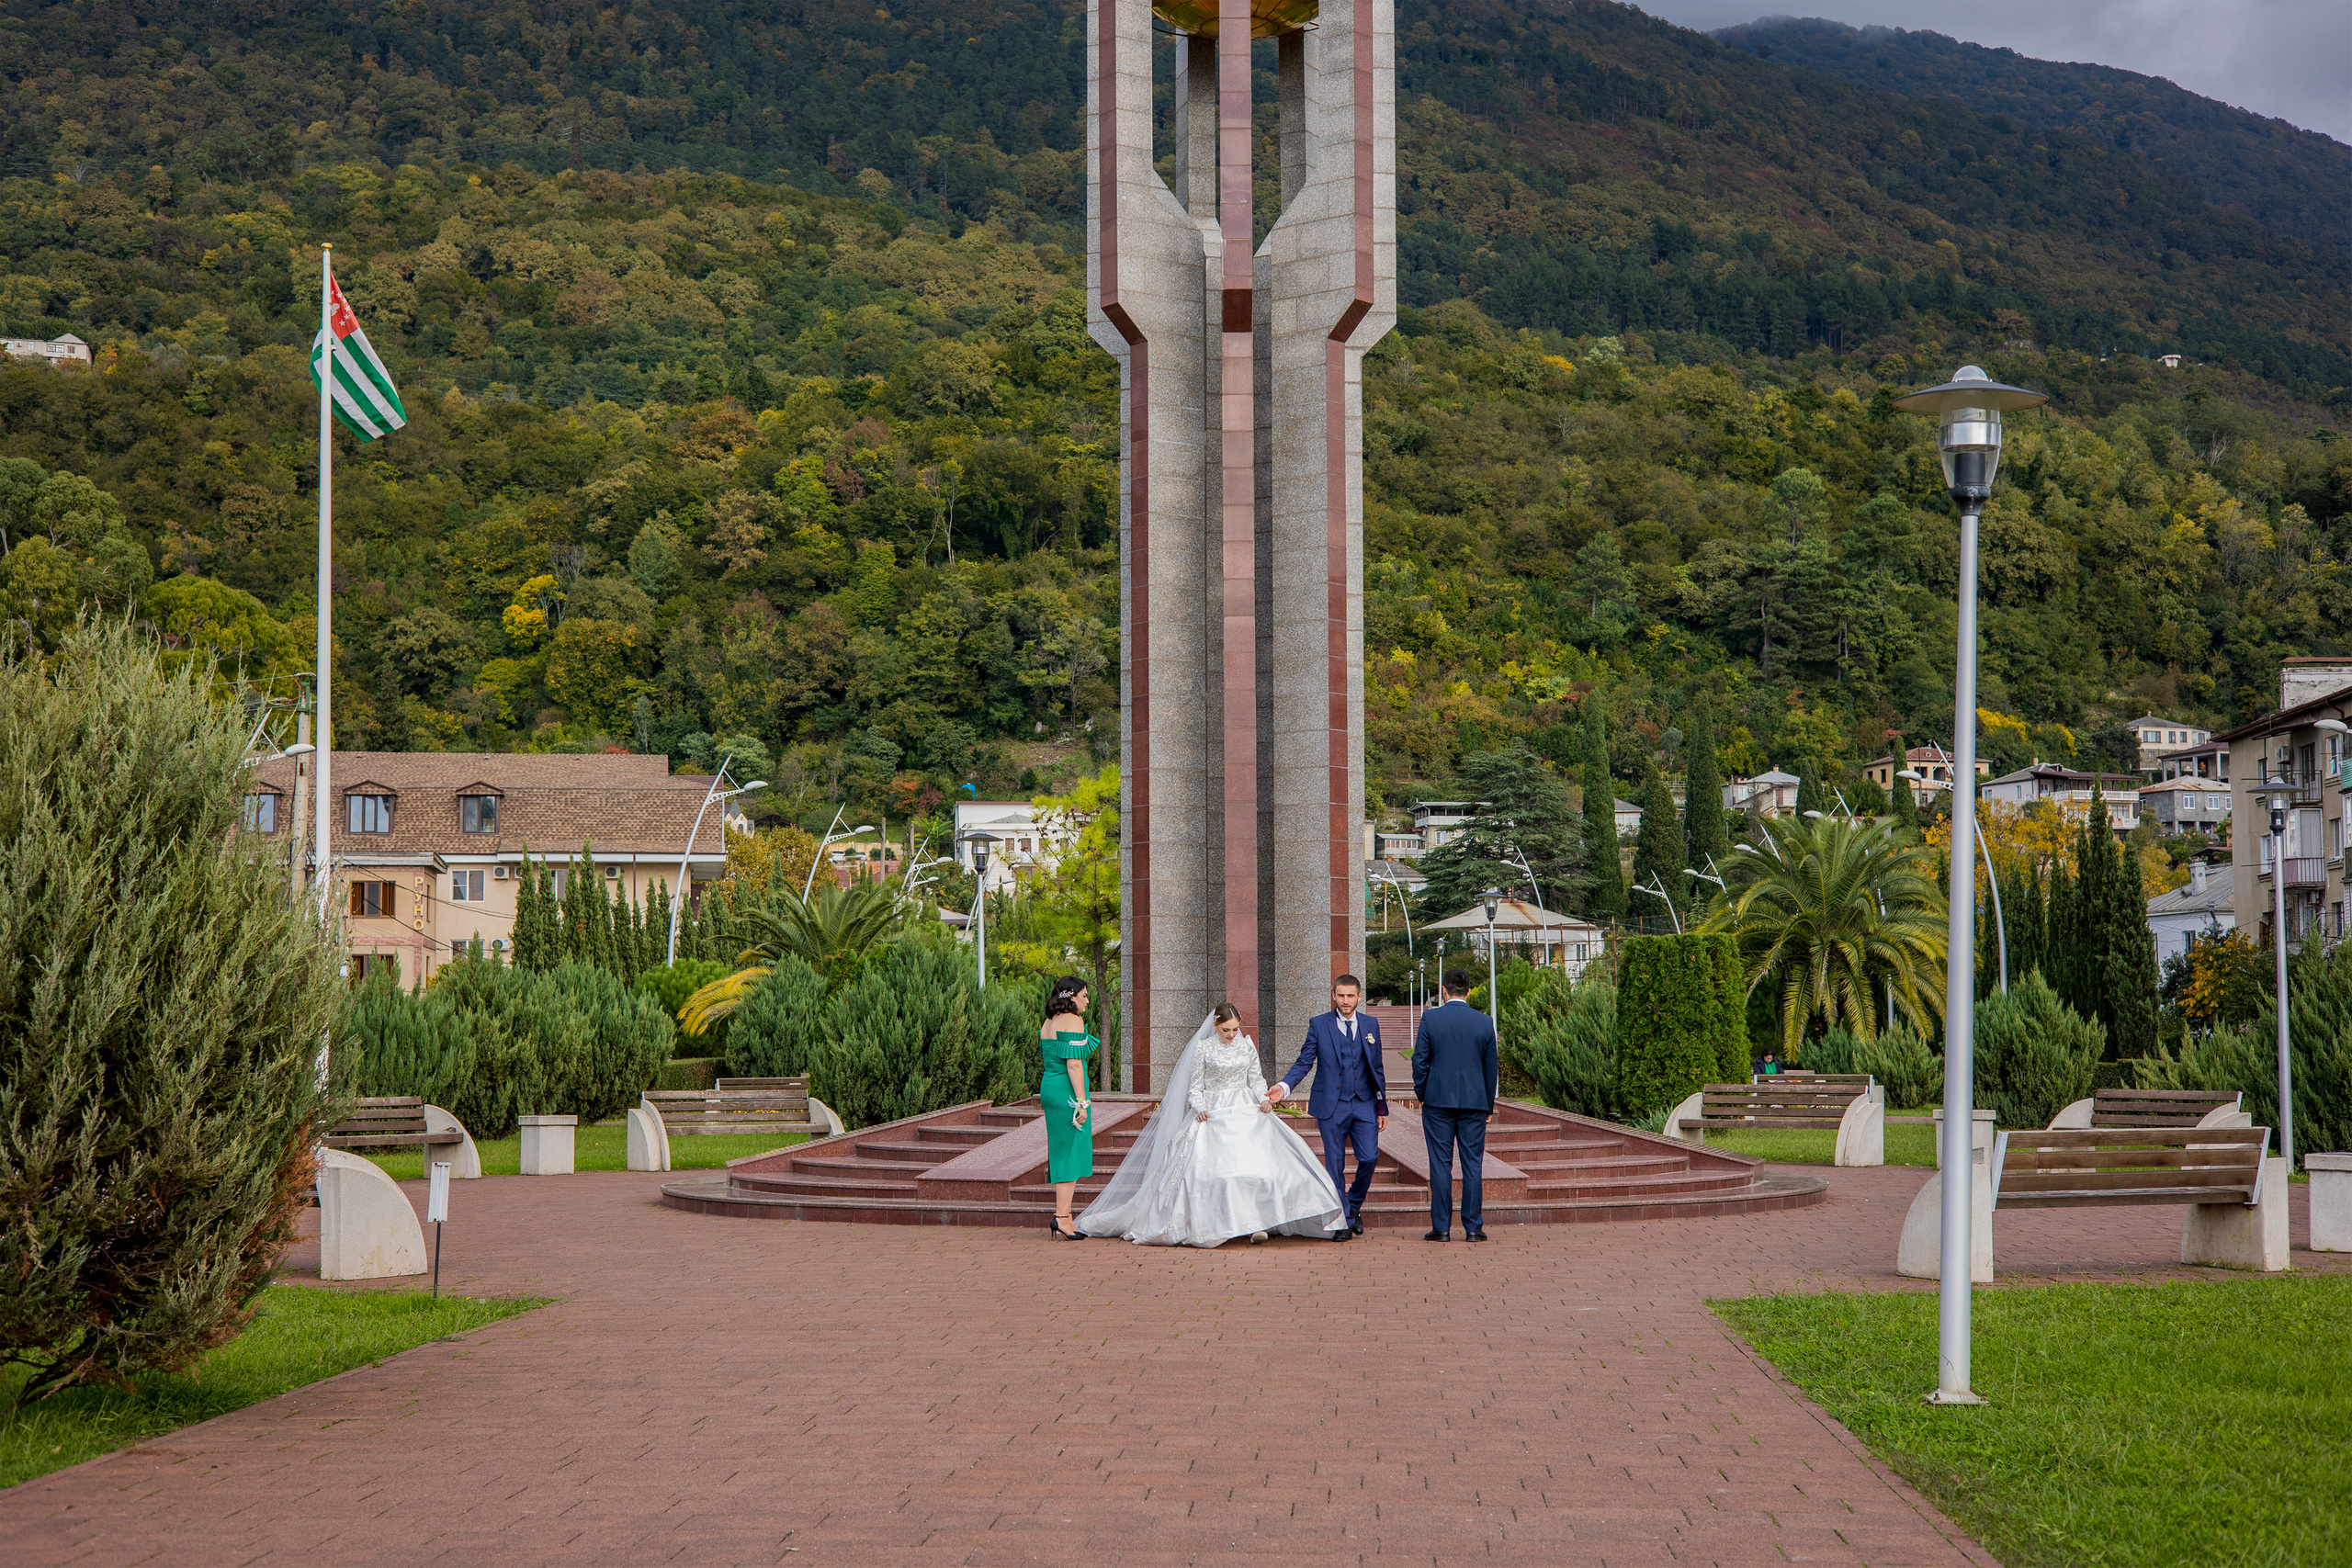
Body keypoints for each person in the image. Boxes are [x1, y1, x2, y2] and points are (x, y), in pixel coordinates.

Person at [1077, 1004, 1346, 1247]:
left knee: (1264, 1167)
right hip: (1214, 1111)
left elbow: (1256, 1079)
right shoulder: (1203, 1048)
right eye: (1226, 1029)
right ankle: (1226, 1223)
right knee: (1216, 1173)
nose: (1231, 1034)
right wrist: (1200, 1106)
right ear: (1215, 1026)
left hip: (1246, 1108)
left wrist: (1264, 1098)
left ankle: (1258, 1223)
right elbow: (1195, 1086)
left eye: (1236, 1029)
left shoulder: (1247, 1045)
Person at [1265, 974, 1385, 1237]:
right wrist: (1284, 1087)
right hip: (1332, 1105)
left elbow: (1377, 1067)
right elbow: (1304, 1061)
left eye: (1350, 996)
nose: (1345, 1001)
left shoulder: (1370, 1024)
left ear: (1359, 997)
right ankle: (1341, 1220)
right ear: (1333, 995)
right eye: (1340, 995)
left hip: (1364, 1103)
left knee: (1369, 1157)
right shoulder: (1319, 1025)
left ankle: (1352, 1208)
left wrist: (1382, 1106)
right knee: (1334, 1165)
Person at [1409, 969, 1498, 1242]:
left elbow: (1419, 1061)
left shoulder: (1431, 1018)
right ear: (1469, 991)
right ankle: (1473, 1227)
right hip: (1474, 1103)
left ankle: (1442, 1228)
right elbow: (1491, 1067)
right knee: (1473, 1164)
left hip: (1437, 1101)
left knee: (1440, 1164)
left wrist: (1422, 1093)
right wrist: (1487, 1105)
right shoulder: (1485, 1022)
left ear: (1444, 991)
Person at [1039, 976, 1099, 1240]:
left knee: (1064, 1150)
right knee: (1070, 1152)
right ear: (1071, 995)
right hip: (1066, 1091)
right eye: (1084, 995)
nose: (1087, 1000)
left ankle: (1067, 1216)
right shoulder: (1072, 1020)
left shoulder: (1049, 1021)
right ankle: (1062, 1217)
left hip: (1050, 1086)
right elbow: (1074, 1065)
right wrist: (1082, 1102)